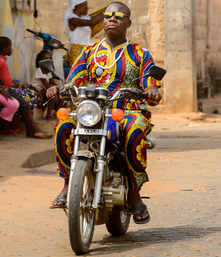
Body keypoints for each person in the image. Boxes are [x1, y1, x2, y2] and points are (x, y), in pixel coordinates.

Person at [47, 1, 162, 224]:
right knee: (63, 127)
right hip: (91, 110)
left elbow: (150, 79)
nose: (111, 19)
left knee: (135, 131)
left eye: (118, 16)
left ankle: (133, 194)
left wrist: (152, 89)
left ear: (128, 22)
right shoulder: (90, 51)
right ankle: (68, 184)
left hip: (127, 110)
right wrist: (61, 88)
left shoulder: (139, 53)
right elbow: (74, 79)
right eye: (108, 15)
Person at [0, 36, 53, 139]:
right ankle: (32, 131)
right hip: (5, 90)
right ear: (4, 49)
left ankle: (32, 130)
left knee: (26, 102)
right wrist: (1, 83)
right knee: (25, 104)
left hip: (8, 88)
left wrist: (11, 82)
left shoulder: (2, 59)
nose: (11, 49)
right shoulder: (0, 60)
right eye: (10, 47)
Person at [64, 0, 104, 67]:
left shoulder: (85, 18)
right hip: (76, 50)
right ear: (79, 6)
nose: (87, 8)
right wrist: (106, 14)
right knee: (78, 73)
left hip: (86, 49)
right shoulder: (72, 19)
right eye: (85, 5)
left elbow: (94, 19)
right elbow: (92, 22)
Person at [30, 50, 60, 120]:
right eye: (46, 59)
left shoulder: (48, 71)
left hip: (43, 91)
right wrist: (58, 87)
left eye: (50, 59)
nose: (49, 61)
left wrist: (61, 88)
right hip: (36, 92)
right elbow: (47, 85)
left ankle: (58, 113)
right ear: (41, 61)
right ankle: (49, 115)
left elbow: (52, 83)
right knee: (52, 93)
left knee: (61, 92)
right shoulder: (40, 70)